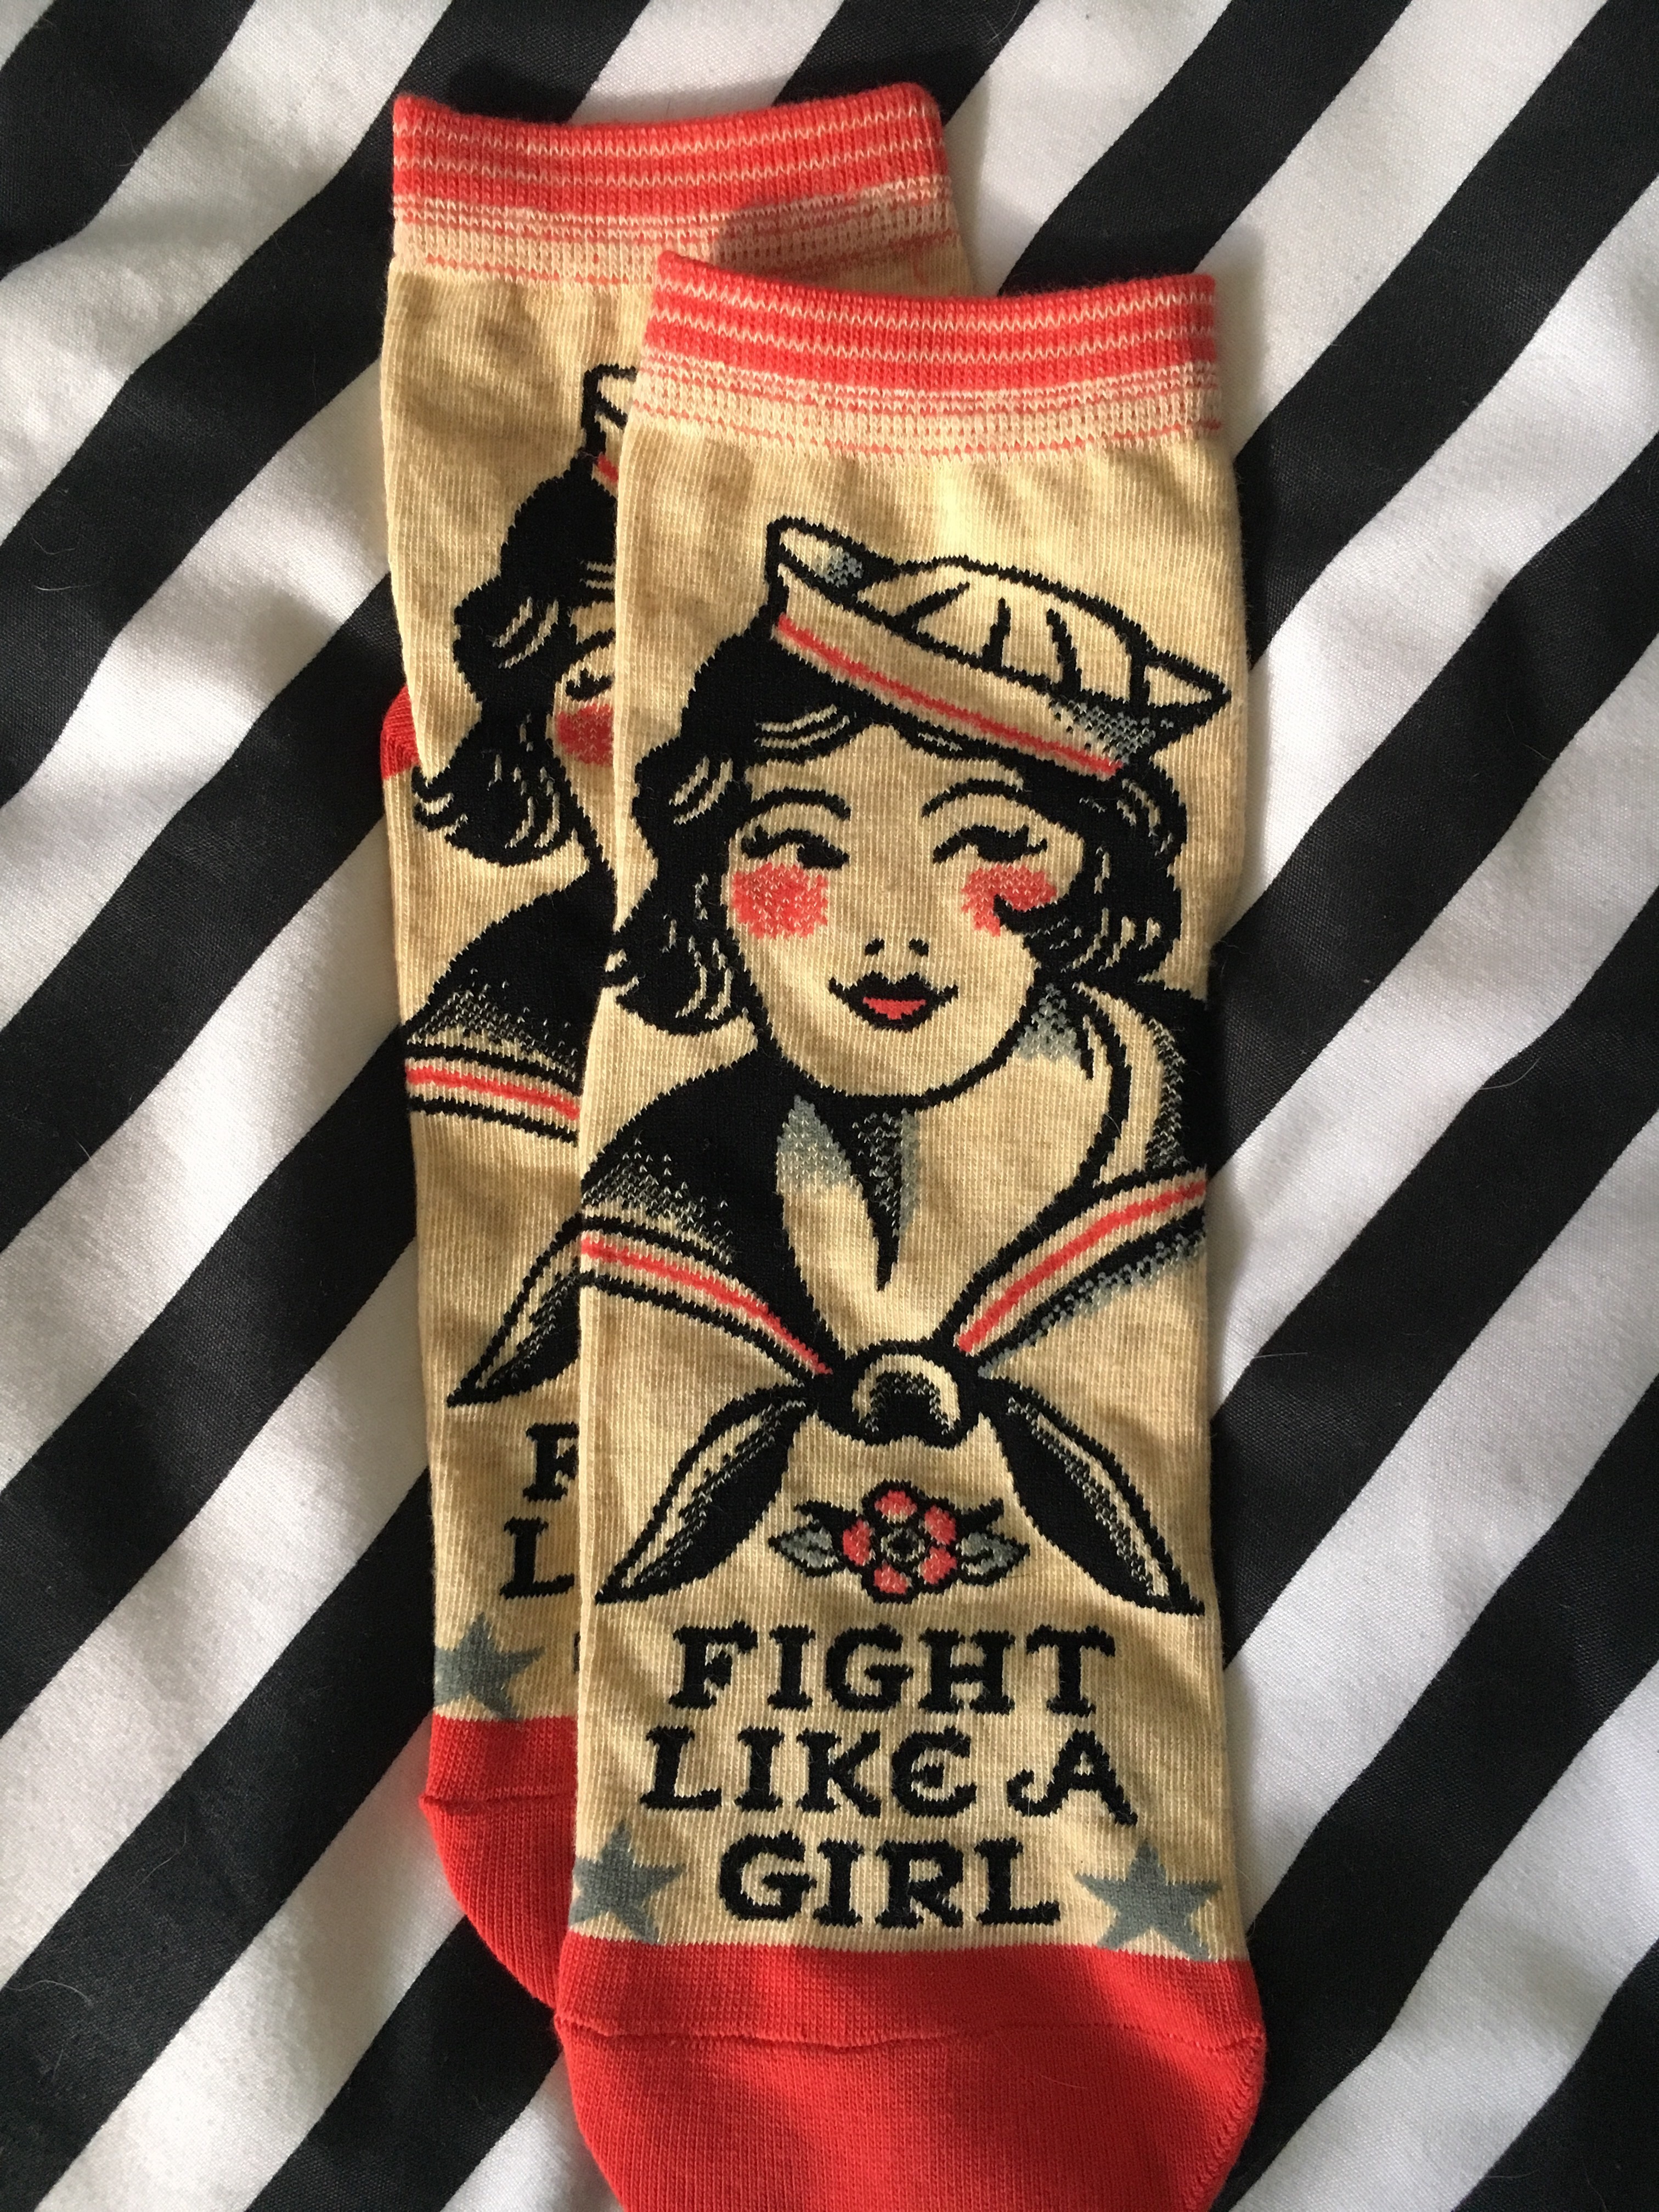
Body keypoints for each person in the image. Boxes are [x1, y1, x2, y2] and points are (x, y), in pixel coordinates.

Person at [458, 518, 1231, 1614]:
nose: (891, 935)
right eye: (804, 848)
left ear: (1089, 873)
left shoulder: (1209, 1117)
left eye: (988, 843)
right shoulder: (659, 1195)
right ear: (707, 871)